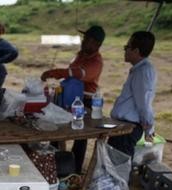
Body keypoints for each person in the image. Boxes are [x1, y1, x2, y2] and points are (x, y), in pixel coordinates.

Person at [41, 25, 106, 174]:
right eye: (84, 38)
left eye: (88, 39)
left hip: (85, 101)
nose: (84, 42)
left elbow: (79, 73)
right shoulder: (80, 54)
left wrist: (56, 72)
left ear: (97, 44)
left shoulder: (96, 61)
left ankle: (74, 171)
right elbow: (71, 72)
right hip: (68, 97)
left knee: (80, 136)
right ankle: (54, 162)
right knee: (57, 128)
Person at [108, 31, 157, 161]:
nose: (124, 50)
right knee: (113, 164)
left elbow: (144, 105)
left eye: (127, 47)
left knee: (119, 167)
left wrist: (149, 131)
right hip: (123, 126)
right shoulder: (138, 69)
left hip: (128, 129)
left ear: (136, 51)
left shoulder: (143, 72)